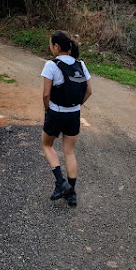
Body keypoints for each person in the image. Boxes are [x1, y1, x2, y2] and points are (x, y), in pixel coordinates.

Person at [41, 30, 92, 207]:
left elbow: (46, 94)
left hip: (56, 112)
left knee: (47, 145)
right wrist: (77, 105)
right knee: (69, 152)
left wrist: (47, 110)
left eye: (50, 44)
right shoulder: (80, 64)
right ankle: (71, 194)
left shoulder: (51, 65)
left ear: (56, 46)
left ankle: (60, 182)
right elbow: (89, 91)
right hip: (74, 113)